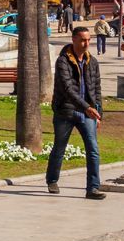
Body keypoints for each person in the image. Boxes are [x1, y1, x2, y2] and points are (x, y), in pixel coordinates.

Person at [45, 25, 105, 200]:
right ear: (73, 40)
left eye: (88, 40)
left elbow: (97, 89)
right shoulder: (63, 61)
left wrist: (98, 113)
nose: (86, 43)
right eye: (82, 40)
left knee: (93, 150)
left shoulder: (92, 62)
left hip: (88, 113)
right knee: (59, 148)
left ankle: (93, 188)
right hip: (66, 111)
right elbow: (67, 89)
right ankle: (52, 180)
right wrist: (86, 107)